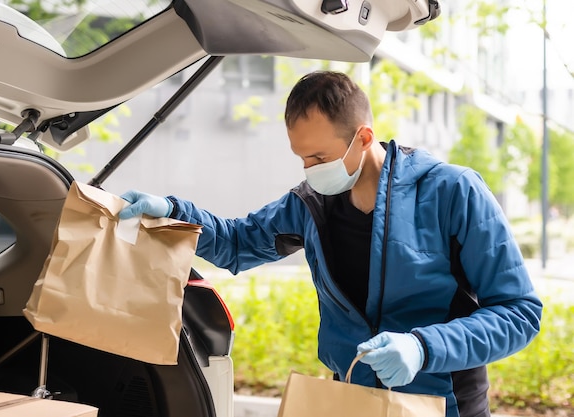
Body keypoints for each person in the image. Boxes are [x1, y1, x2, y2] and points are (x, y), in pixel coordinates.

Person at [118, 71, 542, 417]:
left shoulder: (452, 192)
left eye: (319, 158)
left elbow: (519, 313)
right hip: (353, 402)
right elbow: (237, 243)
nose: (308, 170)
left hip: (445, 405)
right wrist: (171, 211)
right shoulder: (311, 203)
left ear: (363, 137)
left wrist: (423, 347)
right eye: (301, 158)